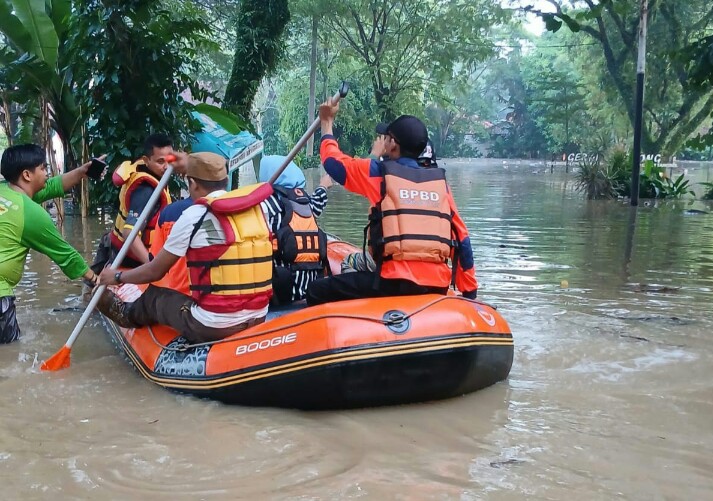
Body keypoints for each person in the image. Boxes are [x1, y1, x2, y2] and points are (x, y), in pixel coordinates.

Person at [305, 99, 478, 305]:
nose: (384, 141)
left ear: (393, 144)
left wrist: (326, 122)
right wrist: (469, 295)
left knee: (316, 290)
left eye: (386, 138)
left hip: (392, 282)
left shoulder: (379, 174)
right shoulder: (440, 184)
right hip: (437, 286)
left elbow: (333, 163)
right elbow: (463, 241)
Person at [96, 152, 273, 343]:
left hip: (213, 325)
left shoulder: (193, 216)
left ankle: (125, 313)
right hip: (259, 315)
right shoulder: (260, 210)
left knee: (155, 296)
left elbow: (155, 272)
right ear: (226, 180)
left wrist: (116, 277)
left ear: (193, 184)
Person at [0, 144, 100, 343]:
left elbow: (52, 186)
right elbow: (66, 255)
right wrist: (96, 280)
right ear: (27, 175)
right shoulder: (31, 214)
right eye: (44, 168)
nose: (48, 173)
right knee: (9, 354)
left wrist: (82, 172)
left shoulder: (5, 190)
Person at [258, 155, 332, 304]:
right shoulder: (306, 201)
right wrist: (324, 185)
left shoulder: (265, 205)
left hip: (282, 287)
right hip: (310, 287)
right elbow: (319, 202)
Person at [103, 134, 179, 270]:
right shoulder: (146, 191)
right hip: (131, 264)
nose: (167, 167)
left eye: (170, 160)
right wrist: (152, 268)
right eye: (160, 162)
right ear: (146, 160)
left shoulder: (145, 171)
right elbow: (129, 234)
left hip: (117, 252)